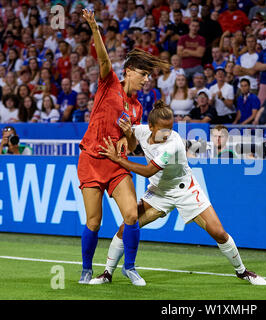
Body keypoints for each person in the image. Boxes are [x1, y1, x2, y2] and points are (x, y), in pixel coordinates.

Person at [93, 101, 266, 286]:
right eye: (163, 129)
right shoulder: (142, 131)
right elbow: (130, 137)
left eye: (170, 128)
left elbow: (148, 171)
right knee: (126, 226)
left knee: (219, 233)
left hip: (186, 190)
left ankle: (242, 272)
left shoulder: (172, 144)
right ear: (150, 127)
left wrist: (117, 159)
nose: (167, 133)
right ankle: (107, 273)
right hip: (160, 192)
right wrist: (126, 133)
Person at [77, 9, 169, 286]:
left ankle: (129, 267)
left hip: (117, 165)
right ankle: (86, 268)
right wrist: (94, 27)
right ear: (128, 71)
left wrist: (129, 134)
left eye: (148, 77)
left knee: (131, 214)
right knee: (94, 222)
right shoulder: (109, 84)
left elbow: (130, 145)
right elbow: (103, 58)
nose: (146, 79)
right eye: (143, 74)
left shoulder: (138, 107)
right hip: (92, 159)